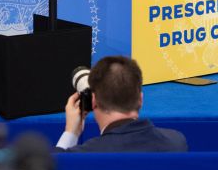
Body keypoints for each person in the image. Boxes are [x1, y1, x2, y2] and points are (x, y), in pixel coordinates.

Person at [56, 55, 188, 152]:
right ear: (140, 100)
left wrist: (71, 133)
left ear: (94, 101)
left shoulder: (86, 155)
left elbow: (53, 169)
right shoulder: (176, 142)